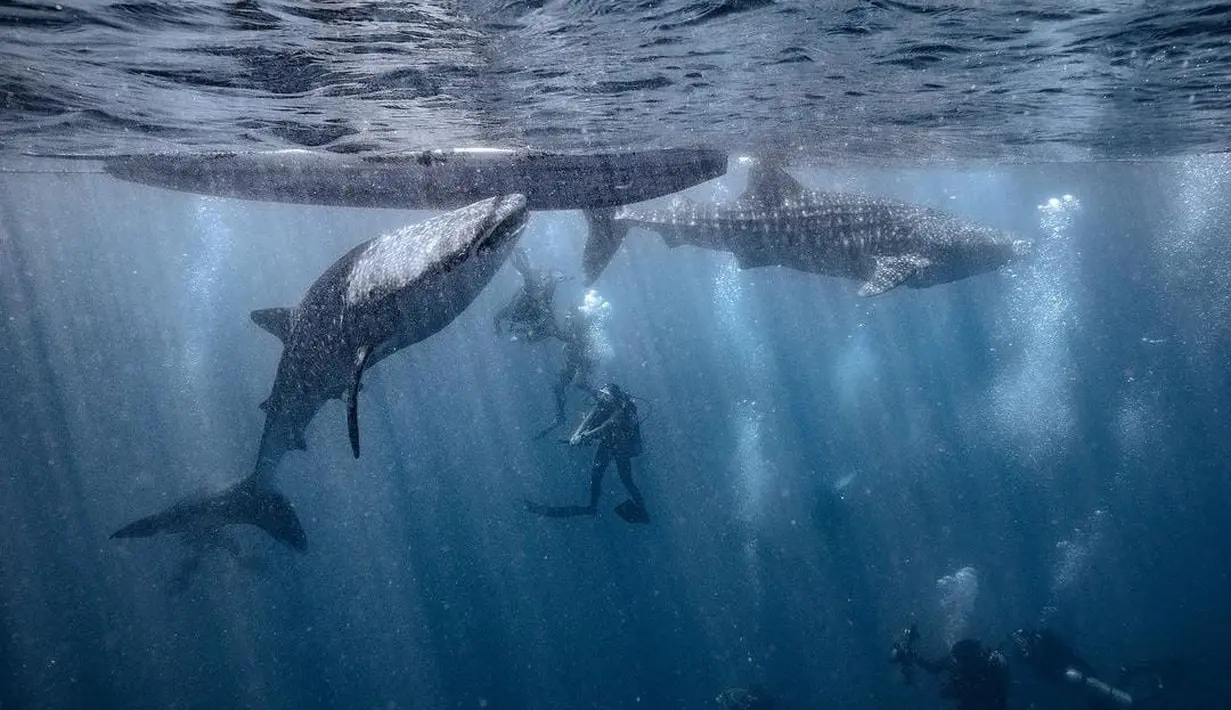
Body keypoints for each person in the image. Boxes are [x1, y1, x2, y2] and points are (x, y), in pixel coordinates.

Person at [525, 382, 649, 523]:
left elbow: (606, 425)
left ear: (614, 397)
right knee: (596, 475)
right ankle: (592, 506)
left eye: (607, 396)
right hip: (608, 443)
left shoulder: (621, 409)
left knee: (626, 480)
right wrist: (577, 435)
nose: (603, 398)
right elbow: (590, 418)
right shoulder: (603, 404)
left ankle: (642, 511)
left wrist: (584, 436)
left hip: (622, 446)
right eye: (602, 394)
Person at [893, 625, 1009, 710]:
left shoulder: (990, 666)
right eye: (957, 659)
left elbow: (998, 696)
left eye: (962, 660)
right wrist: (913, 656)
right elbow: (933, 668)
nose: (958, 662)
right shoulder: (954, 661)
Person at [1011, 628, 1133, 709]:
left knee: (1093, 690)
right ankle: (1120, 688)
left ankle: (1125, 681)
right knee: (1092, 696)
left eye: (1020, 639)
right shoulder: (1026, 653)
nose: (1019, 644)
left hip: (1070, 673)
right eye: (1016, 641)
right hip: (1064, 677)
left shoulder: (1039, 640)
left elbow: (1060, 654)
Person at [532, 301, 601, 440]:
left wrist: (553, 332)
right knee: (558, 387)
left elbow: (571, 338)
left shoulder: (581, 324)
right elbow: (568, 337)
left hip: (582, 362)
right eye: (568, 316)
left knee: (579, 383)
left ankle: (599, 398)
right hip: (572, 362)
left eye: (570, 315)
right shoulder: (573, 322)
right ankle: (560, 417)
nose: (568, 319)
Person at [492, 248, 569, 343]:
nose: (541, 278)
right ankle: (526, 335)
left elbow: (498, 317)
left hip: (525, 315)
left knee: (543, 305)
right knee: (543, 304)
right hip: (527, 315)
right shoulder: (536, 292)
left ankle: (525, 335)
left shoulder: (535, 292)